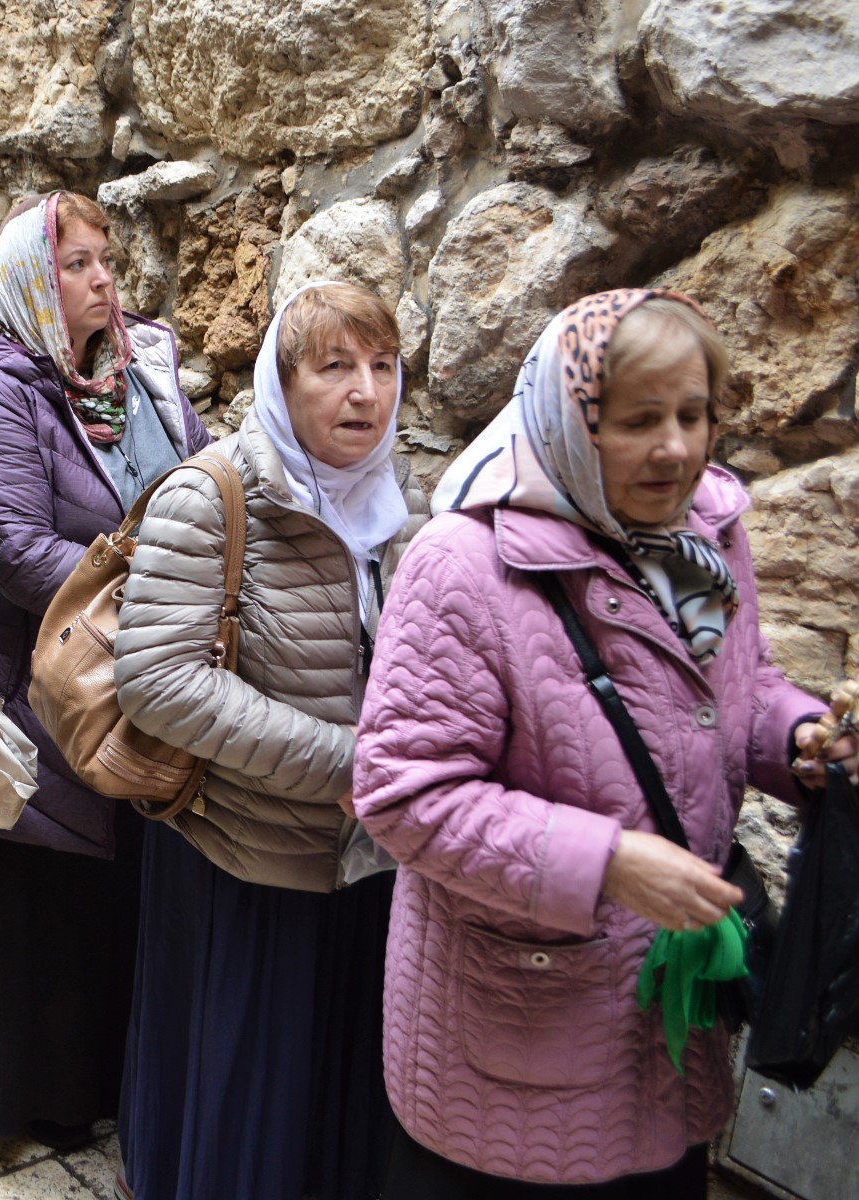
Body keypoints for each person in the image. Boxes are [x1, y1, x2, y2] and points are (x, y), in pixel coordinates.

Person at [355, 290, 854, 1198]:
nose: (675, 447)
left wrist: (801, 737)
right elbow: (403, 796)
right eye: (638, 421)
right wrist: (609, 863)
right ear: (570, 419)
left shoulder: (705, 534)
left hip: (666, 1025)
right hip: (520, 1029)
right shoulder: (463, 566)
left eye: (692, 414)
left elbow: (735, 692)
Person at [113, 281, 424, 1200]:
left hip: (361, 853)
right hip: (245, 856)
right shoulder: (210, 497)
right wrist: (344, 764)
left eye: (380, 366)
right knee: (248, 1090)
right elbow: (158, 682)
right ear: (281, 384)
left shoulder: (395, 507)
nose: (364, 391)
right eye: (333, 367)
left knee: (328, 1089)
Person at [0, 191, 210, 1148]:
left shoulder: (144, 373)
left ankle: (105, 1083)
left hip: (140, 676)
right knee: (43, 905)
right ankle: (23, 1099)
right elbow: (9, 545)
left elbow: (205, 484)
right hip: (39, 684)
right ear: (28, 280)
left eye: (106, 260)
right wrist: (151, 590)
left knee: (115, 898)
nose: (102, 279)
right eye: (76, 263)